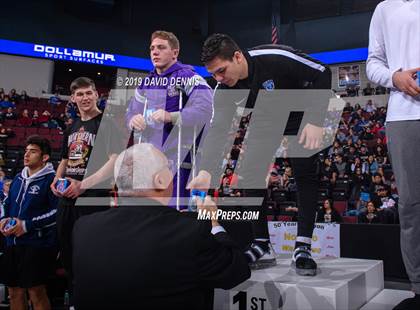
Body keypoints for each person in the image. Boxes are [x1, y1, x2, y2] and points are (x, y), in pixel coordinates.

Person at [201, 33, 332, 275]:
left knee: (305, 174)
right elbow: (217, 132)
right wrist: (205, 171)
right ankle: (261, 244)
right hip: (266, 117)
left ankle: (302, 246)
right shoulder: (224, 88)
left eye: (221, 70)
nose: (218, 78)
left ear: (237, 57)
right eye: (213, 75)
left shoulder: (275, 57)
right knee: (250, 174)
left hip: (301, 112)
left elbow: (323, 72)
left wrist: (315, 120)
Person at [72, 143, 250, 309]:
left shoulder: (84, 227)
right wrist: (213, 221)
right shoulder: (189, 232)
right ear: (160, 180)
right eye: (168, 167)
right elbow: (236, 270)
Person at [50, 77, 122, 306]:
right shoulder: (71, 125)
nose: (85, 98)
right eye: (79, 94)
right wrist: (56, 179)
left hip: (92, 198)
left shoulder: (107, 123)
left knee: (92, 254)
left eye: (88, 93)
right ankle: (75, 301)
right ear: (73, 98)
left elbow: (114, 160)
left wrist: (84, 184)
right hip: (67, 198)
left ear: (96, 95)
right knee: (67, 252)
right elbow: (64, 158)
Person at [367, 1, 420, 308]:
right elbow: (373, 63)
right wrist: (395, 77)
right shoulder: (384, 8)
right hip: (403, 114)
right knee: (412, 206)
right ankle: (417, 287)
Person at [126, 30, 213, 209]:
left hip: (180, 161)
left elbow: (206, 109)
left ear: (175, 53)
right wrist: (133, 119)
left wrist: (171, 116)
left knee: (177, 215)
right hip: (151, 163)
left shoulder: (189, 77)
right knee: (150, 213)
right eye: (152, 48)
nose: (154, 52)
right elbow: (130, 112)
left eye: (161, 48)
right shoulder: (145, 83)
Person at [0, 135, 58, 310]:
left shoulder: (52, 180)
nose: (26, 155)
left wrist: (26, 225)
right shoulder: (18, 178)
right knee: (14, 291)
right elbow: (7, 203)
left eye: (33, 152)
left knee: (36, 291)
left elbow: (57, 213)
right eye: (26, 151)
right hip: (12, 242)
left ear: (45, 157)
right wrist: (3, 220)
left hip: (37, 243)